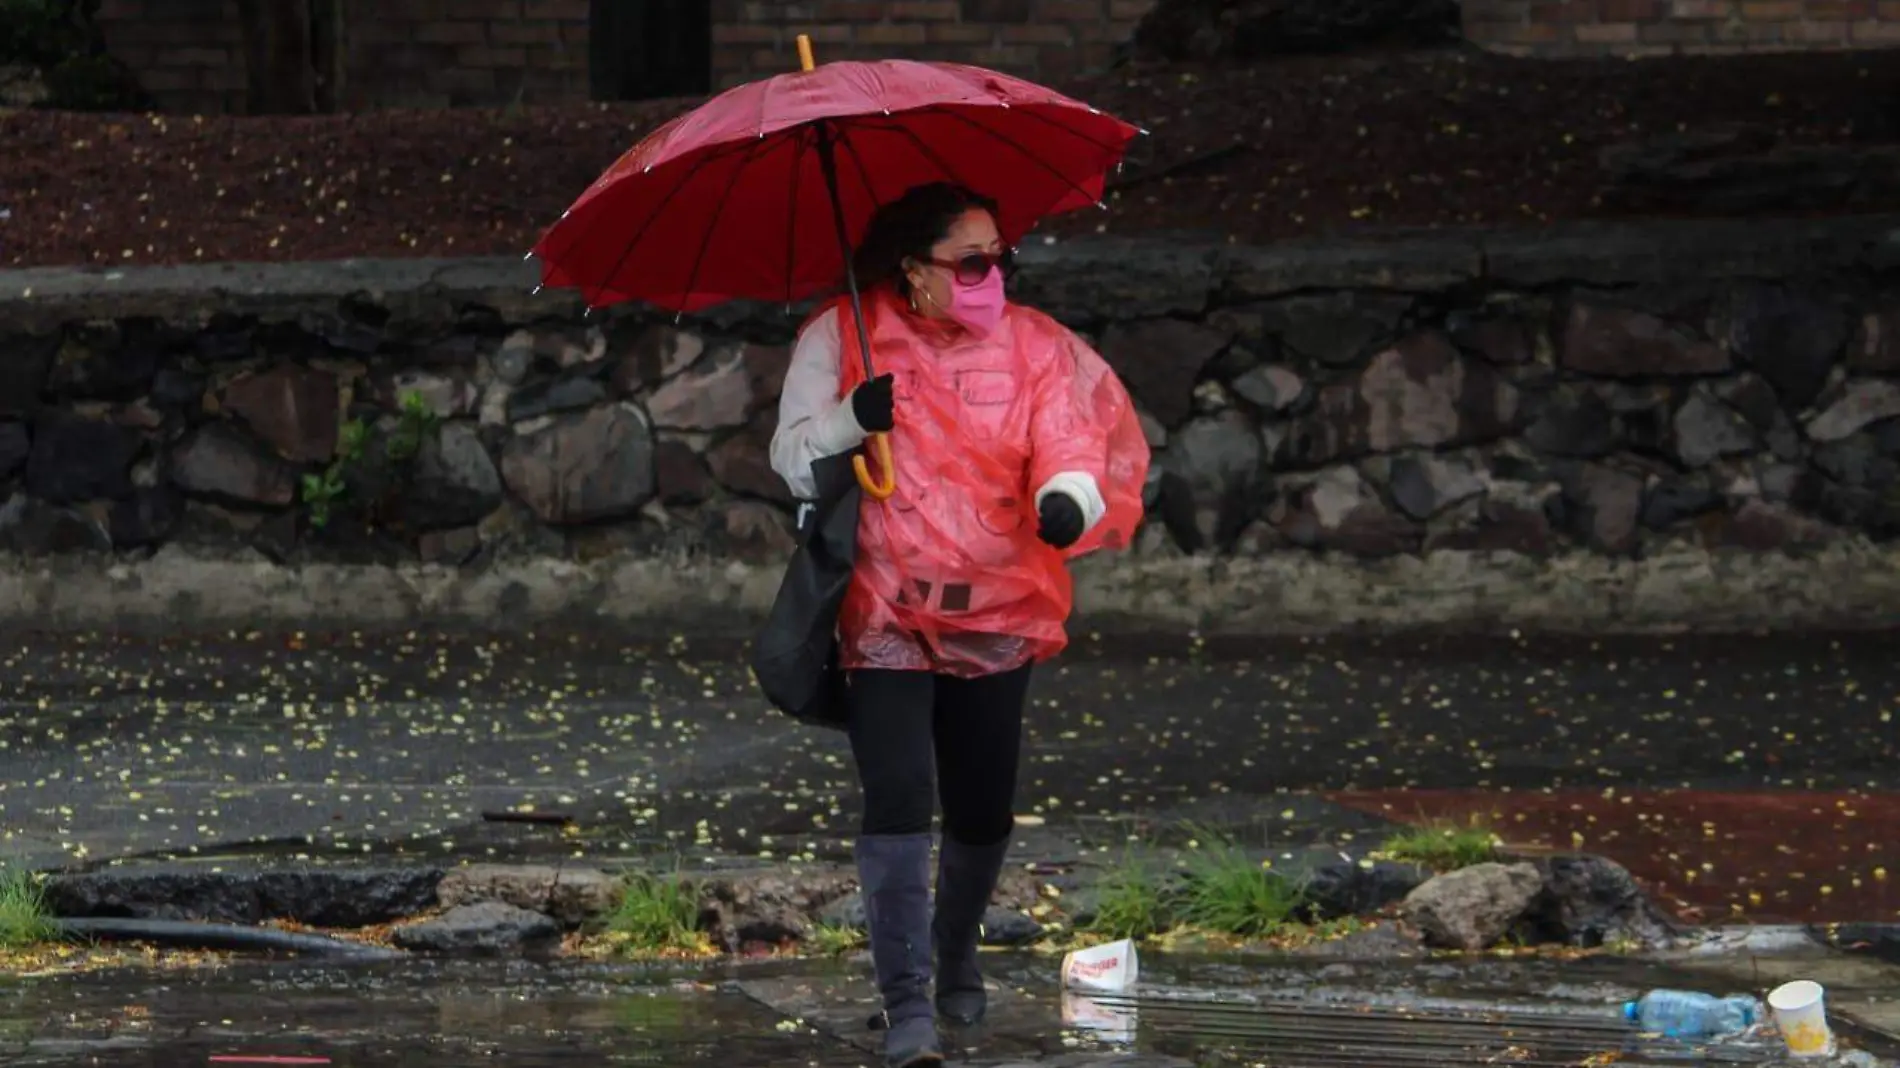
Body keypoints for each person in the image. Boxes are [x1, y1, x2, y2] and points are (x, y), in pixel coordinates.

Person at [770, 182, 1149, 1068]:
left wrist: (1069, 497)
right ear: (915, 269)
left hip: (999, 608)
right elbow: (791, 456)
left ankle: (953, 955)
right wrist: (846, 422)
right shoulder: (842, 335)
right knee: (899, 795)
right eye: (972, 260)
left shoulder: (1035, 345)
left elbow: (1070, 438)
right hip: (884, 612)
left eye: (1000, 258)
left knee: (982, 803)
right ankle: (906, 1007)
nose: (992, 275)